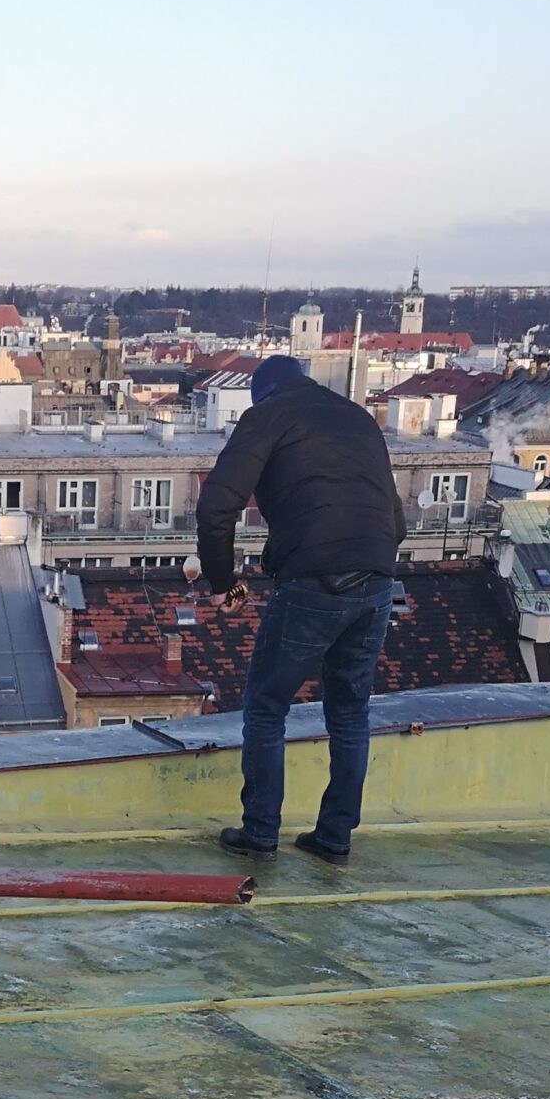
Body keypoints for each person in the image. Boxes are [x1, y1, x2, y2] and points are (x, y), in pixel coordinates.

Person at [192, 353, 405, 863]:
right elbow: (395, 521)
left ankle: (261, 832)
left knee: (267, 706)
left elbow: (216, 505)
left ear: (260, 393)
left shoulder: (267, 415)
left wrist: (222, 583)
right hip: (378, 580)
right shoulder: (357, 418)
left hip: (314, 582)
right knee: (350, 712)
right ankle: (335, 837)